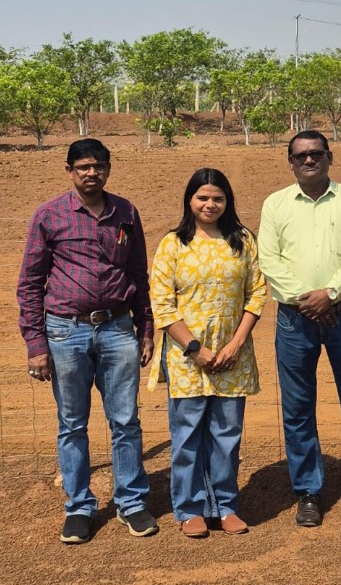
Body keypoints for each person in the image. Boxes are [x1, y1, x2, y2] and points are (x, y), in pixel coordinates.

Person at [16, 138, 158, 544]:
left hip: (118, 329)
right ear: (69, 171)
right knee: (72, 424)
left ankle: (131, 502)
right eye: (83, 167)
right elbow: (30, 283)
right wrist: (36, 345)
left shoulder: (126, 212)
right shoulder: (49, 215)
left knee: (125, 421)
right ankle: (79, 506)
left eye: (98, 166)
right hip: (65, 332)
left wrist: (146, 328)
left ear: (108, 169)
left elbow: (138, 274)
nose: (91, 173)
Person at [258, 130, 341, 527]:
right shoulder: (275, 204)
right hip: (294, 319)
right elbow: (269, 259)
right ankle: (308, 491)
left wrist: (330, 294)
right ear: (290, 162)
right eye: (300, 155)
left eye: (316, 153)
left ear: (329, 157)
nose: (308, 160)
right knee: (297, 406)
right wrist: (309, 301)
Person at [149, 168, 266, 538]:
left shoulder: (242, 241)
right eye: (203, 197)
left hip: (233, 357)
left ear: (227, 201)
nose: (210, 204)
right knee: (186, 436)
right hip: (187, 357)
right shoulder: (173, 244)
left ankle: (225, 506)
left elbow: (257, 293)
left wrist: (236, 344)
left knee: (226, 434)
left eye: (218, 198)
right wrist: (195, 348)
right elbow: (162, 303)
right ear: (190, 200)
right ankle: (189, 509)